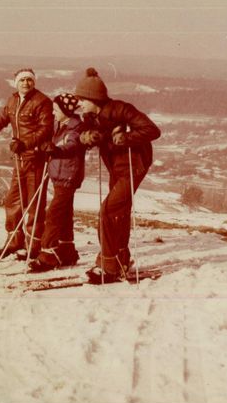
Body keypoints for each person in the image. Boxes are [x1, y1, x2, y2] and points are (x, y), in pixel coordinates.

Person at [75, 68, 161, 283]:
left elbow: (152, 130)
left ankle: (109, 266)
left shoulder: (121, 109)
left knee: (108, 210)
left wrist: (127, 138)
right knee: (119, 212)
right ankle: (120, 259)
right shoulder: (91, 116)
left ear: (94, 98)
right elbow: (81, 134)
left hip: (134, 165)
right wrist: (88, 137)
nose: (80, 104)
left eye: (82, 99)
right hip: (116, 167)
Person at [0, 68, 53, 259]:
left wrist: (25, 143)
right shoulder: (13, 100)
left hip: (36, 159)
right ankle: (14, 240)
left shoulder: (42, 102)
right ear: (16, 83)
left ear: (34, 82)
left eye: (29, 80)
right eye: (22, 80)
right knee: (13, 201)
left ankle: (33, 244)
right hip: (19, 159)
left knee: (33, 204)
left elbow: (46, 129)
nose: (26, 83)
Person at [28, 93, 86, 272]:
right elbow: (48, 140)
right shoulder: (59, 125)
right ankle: (67, 250)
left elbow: (71, 145)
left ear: (66, 111)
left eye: (56, 109)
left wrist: (56, 149)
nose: (53, 112)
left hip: (68, 175)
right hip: (59, 174)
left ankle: (48, 254)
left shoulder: (75, 127)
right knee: (65, 214)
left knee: (53, 214)